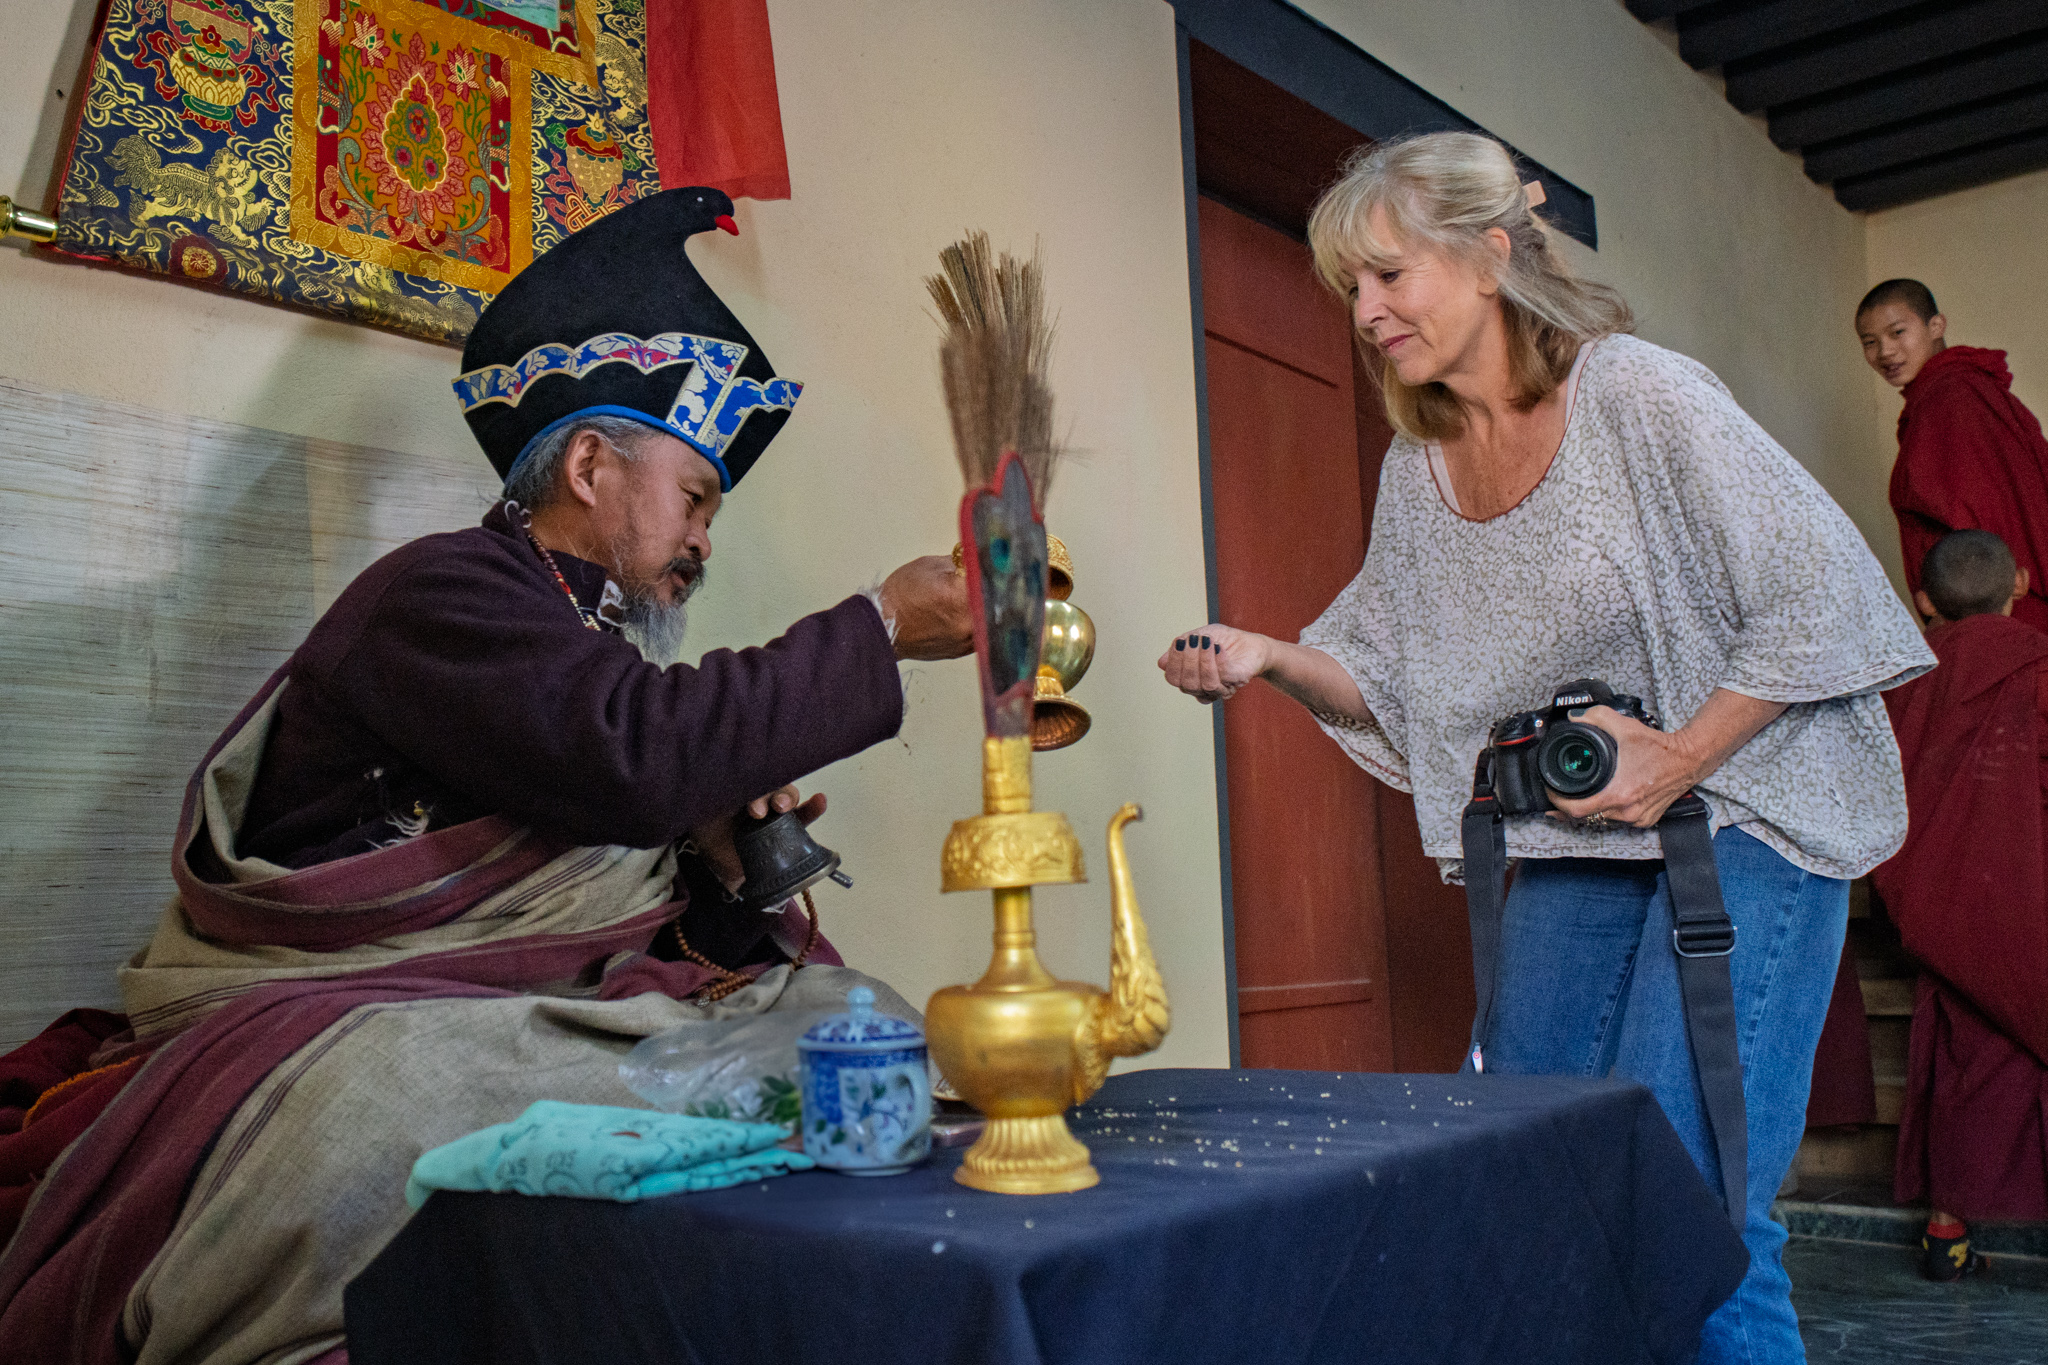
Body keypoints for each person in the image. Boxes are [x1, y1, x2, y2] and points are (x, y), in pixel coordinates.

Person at [0, 186, 971, 1362]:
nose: (707, 540)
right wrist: (876, 625)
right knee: (385, 1106)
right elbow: (636, 754)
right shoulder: (439, 594)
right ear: (592, 467)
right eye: (697, 497)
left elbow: (611, 875)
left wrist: (718, 878)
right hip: (366, 1013)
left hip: (515, 1014)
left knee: (855, 1026)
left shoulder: (580, 646)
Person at [1159, 132, 1931, 1364]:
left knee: (1686, 1202)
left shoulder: (1635, 393)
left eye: (1387, 275)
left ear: (1489, 255)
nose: (1362, 312)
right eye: (1347, 288)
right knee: (1539, 1176)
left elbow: (1822, 592)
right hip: (1583, 834)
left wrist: (1679, 754)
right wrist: (1268, 656)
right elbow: (1403, 673)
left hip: (1751, 812)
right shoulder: (1418, 467)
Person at [1871, 529, 2048, 1281]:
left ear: (1923, 598)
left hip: (1936, 902)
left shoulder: (1903, 680)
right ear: (2022, 580)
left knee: (1957, 1036)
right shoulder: (2039, 666)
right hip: (2027, 888)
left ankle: (1947, 1232)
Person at [1859, 278, 2048, 632]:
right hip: (1994, 605)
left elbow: (1976, 516)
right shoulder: (1945, 393)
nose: (1884, 352)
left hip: (1996, 614)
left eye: (1897, 332)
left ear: (1936, 326)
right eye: (1870, 343)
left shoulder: (1952, 395)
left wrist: (1967, 609)